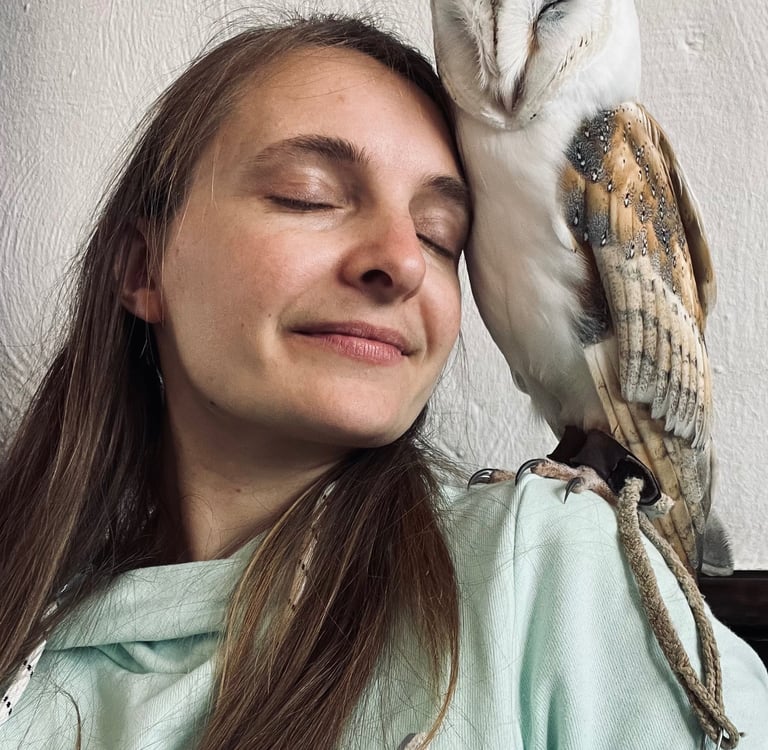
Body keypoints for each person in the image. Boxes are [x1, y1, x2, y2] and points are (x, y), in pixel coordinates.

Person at [0, 12, 766, 750]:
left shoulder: (547, 571)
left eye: (442, 238)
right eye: (308, 195)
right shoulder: (29, 649)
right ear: (142, 266)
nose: (401, 261)